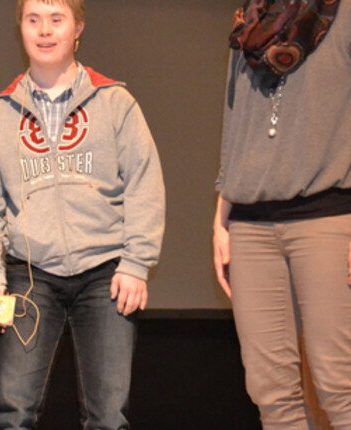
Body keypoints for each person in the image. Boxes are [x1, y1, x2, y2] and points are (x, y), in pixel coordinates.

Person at [0, 0, 164, 428]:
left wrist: (136, 263)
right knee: (12, 413)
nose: (45, 30)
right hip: (29, 274)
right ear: (20, 28)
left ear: (78, 29)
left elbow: (144, 183)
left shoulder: (115, 102)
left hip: (106, 273)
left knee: (108, 416)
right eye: (33, 19)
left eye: (57, 20)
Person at [213, 0, 351, 427]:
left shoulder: (344, 14)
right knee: (271, 392)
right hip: (250, 225)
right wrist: (221, 215)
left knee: (340, 385)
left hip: (326, 219)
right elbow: (234, 121)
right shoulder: (248, 22)